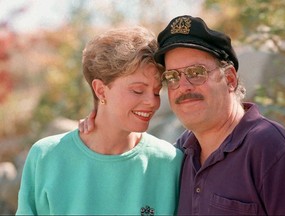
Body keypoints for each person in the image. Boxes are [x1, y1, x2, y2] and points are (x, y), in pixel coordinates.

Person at [79, 15, 285, 215]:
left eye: (196, 73)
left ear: (230, 79)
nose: (183, 87)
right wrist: (102, 123)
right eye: (172, 77)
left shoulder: (270, 148)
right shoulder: (181, 154)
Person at [16, 26, 183, 215]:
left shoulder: (169, 162)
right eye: (137, 90)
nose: (152, 102)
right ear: (101, 90)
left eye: (156, 91)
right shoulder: (46, 156)